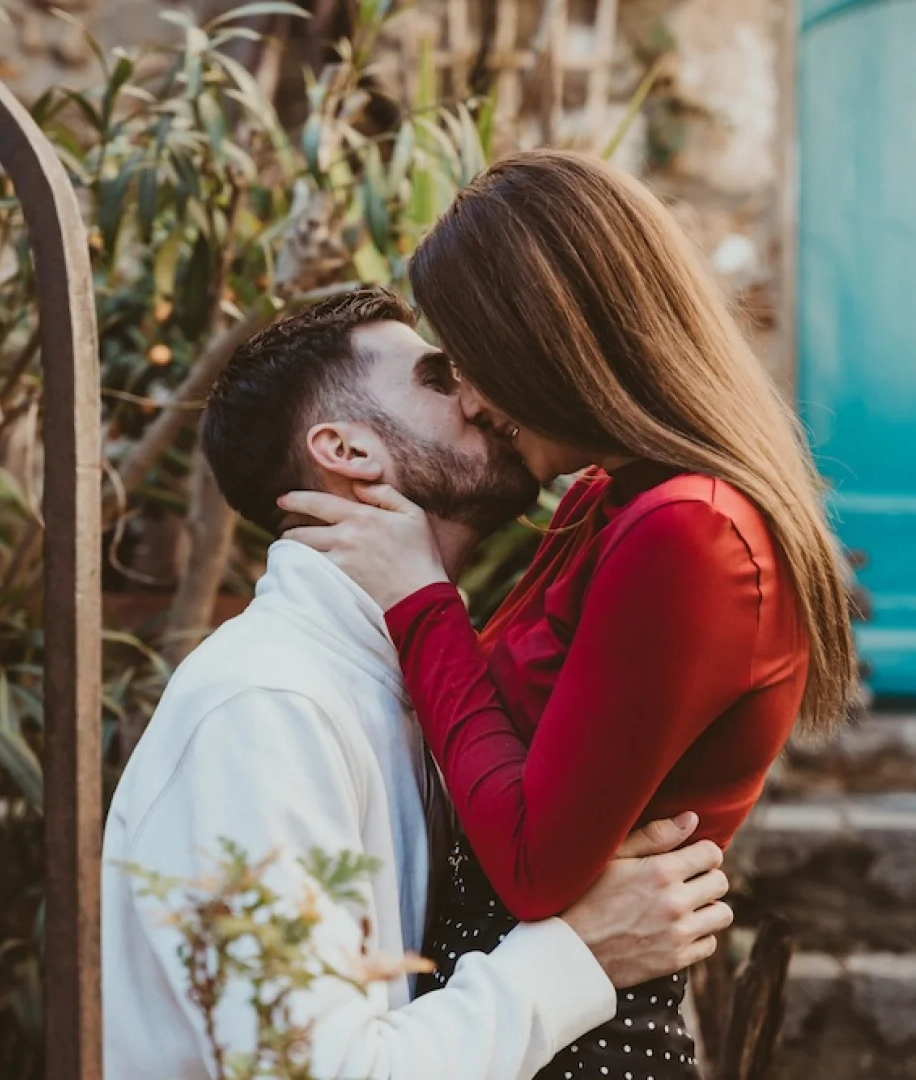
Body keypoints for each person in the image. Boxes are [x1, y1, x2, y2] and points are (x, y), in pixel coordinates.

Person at [279, 150, 858, 1079]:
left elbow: (535, 866)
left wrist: (423, 599)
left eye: (468, 361)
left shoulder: (690, 534)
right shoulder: (611, 501)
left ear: (547, 340)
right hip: (511, 1020)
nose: (467, 397)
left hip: (581, 1045)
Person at [101, 289, 735, 1080]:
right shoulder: (263, 708)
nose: (479, 393)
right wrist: (578, 954)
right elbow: (314, 1073)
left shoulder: (395, 681)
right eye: (440, 378)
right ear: (349, 452)